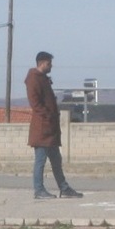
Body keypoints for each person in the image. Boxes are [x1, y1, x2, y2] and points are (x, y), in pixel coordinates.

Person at [25, 52, 81, 199]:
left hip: (51, 129)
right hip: (42, 128)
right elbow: (35, 103)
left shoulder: (43, 79)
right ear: (42, 63)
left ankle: (64, 188)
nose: (51, 66)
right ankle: (39, 190)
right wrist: (48, 116)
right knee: (40, 161)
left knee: (56, 160)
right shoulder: (33, 79)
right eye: (49, 63)